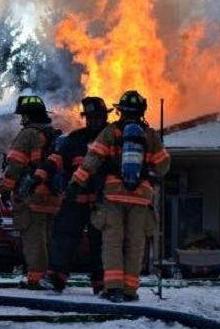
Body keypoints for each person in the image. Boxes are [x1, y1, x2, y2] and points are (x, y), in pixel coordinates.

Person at [67, 90, 170, 302]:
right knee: (135, 245)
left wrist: (77, 182)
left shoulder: (111, 132)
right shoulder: (149, 135)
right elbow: (163, 167)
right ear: (142, 111)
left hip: (113, 196)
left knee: (113, 243)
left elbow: (93, 158)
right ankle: (130, 291)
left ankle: (113, 289)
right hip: (141, 197)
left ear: (120, 111)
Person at [39, 96, 109, 293]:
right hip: (75, 201)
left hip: (102, 202)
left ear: (104, 116)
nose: (93, 120)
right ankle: (56, 278)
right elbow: (57, 160)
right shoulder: (76, 138)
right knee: (64, 237)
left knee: (103, 243)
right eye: (89, 117)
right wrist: (38, 176)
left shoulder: (112, 137)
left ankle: (102, 283)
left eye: (96, 116)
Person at [0, 95, 61, 289]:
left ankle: (35, 279)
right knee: (49, 240)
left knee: (34, 240)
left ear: (27, 116)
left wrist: (6, 190)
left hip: (31, 196)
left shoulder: (27, 135)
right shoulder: (53, 135)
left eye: (23, 115)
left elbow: (15, 164)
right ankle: (52, 277)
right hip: (53, 197)